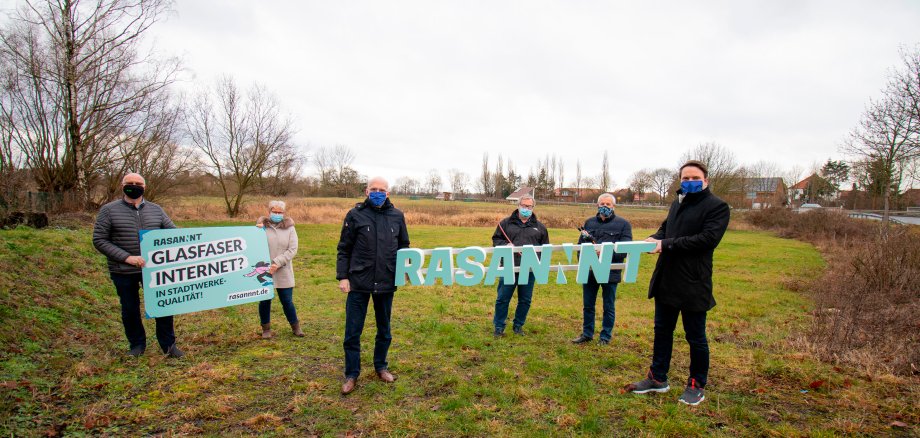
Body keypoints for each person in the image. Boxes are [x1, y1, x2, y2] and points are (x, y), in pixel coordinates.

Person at [626, 160, 730, 406]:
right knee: (662, 331)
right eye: (685, 178)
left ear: (706, 181)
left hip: (694, 282)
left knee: (696, 337)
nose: (689, 181)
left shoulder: (717, 207)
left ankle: (696, 384)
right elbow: (666, 229)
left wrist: (667, 244)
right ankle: (657, 378)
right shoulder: (677, 203)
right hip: (667, 280)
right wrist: (654, 239)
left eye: (695, 178)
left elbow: (707, 239)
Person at [92, 173, 184, 358]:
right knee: (130, 308)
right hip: (123, 270)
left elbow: (174, 234)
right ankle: (137, 345)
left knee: (163, 306)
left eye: (138, 183)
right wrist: (127, 258)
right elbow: (100, 240)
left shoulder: (156, 210)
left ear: (145, 186)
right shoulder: (109, 210)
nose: (134, 186)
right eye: (130, 183)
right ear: (122, 185)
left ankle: (168, 346)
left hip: (154, 271)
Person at [336, 177, 410, 395]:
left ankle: (381, 366)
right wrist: (343, 276)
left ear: (388, 193)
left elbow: (404, 246)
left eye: (382, 190)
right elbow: (344, 248)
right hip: (359, 281)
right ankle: (351, 373)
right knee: (353, 330)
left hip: (386, 280)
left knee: (384, 329)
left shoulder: (397, 216)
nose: (378, 192)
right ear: (367, 191)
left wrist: (405, 270)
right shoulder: (355, 215)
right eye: (374, 189)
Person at [571, 193, 633, 346]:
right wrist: (583, 262)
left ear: (613, 206)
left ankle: (605, 336)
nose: (605, 207)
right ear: (597, 205)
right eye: (602, 204)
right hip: (590, 270)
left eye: (608, 204)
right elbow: (581, 246)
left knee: (608, 306)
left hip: (610, 271)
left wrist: (605, 254)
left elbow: (625, 249)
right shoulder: (589, 223)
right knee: (588, 305)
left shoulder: (623, 224)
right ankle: (587, 333)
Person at [491, 194, 550, 337]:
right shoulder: (505, 224)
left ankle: (518, 326)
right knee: (502, 298)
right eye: (524, 206)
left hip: (529, 269)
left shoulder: (540, 227)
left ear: (533, 207)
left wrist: (537, 261)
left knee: (525, 300)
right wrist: (505, 245)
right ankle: (499, 326)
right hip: (509, 267)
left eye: (529, 206)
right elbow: (496, 239)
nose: (526, 208)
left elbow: (545, 247)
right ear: (518, 206)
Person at [255, 200, 302, 339]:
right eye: (274, 212)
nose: (277, 214)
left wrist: (277, 262)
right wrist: (256, 231)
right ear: (269, 212)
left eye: (279, 212)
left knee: (287, 301)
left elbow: (292, 249)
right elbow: (254, 245)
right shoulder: (261, 227)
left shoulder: (290, 228)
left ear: (283, 213)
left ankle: (296, 327)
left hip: (283, 270)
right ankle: (266, 329)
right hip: (265, 270)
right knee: (265, 301)